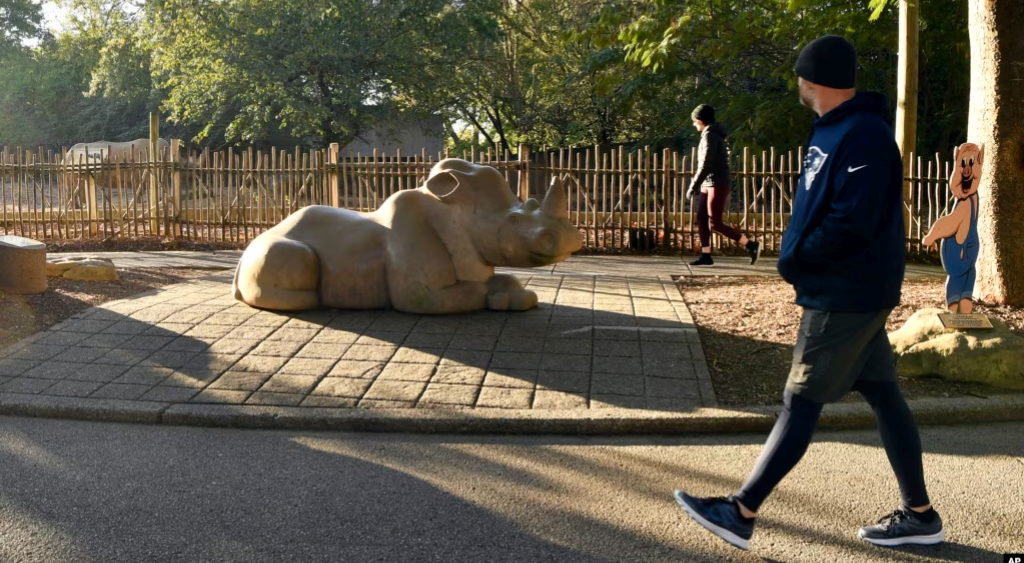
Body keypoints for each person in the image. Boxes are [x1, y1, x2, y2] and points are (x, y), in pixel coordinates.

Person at [673, 35, 944, 551]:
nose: (797, 81)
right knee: (884, 395)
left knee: (800, 399)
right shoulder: (831, 129)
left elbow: (852, 220)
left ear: (813, 78)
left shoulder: (864, 135)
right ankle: (920, 516)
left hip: (845, 290)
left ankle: (740, 511)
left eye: (800, 73)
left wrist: (798, 257)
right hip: (846, 286)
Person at [685, 104, 760, 266]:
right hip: (708, 183)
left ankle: (750, 245)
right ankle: (706, 255)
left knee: (715, 223)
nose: (693, 124)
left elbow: (706, 164)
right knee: (701, 218)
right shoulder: (710, 134)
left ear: (700, 120)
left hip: (716, 184)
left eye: (694, 121)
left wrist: (693, 186)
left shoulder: (710, 136)